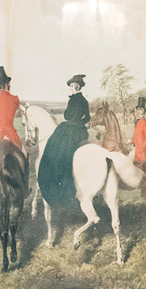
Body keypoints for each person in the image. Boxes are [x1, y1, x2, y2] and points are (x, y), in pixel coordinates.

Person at [39, 74, 91, 206]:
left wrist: (73, 121)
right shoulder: (84, 100)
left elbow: (66, 115)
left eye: (72, 86)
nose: (71, 88)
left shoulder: (72, 100)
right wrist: (80, 123)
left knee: (55, 144)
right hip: (80, 129)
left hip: (69, 129)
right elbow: (88, 118)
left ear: (76, 86)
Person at [132, 96, 146, 165]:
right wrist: (130, 140)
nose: (138, 111)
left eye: (140, 110)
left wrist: (142, 148)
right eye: (137, 110)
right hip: (137, 151)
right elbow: (137, 138)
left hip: (142, 154)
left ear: (143, 111)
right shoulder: (137, 121)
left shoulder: (144, 122)